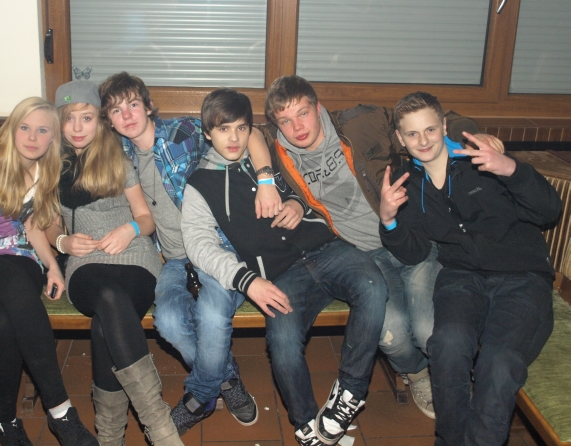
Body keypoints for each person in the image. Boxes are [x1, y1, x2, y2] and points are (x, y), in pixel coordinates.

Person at [263, 75, 501, 419]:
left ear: (318, 107)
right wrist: (281, 190)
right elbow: (244, 133)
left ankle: (455, 375)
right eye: (285, 120)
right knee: (392, 335)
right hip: (364, 256)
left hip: (412, 239)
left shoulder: (361, 123)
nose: (297, 127)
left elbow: (423, 118)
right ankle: (417, 374)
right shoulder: (277, 151)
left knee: (427, 330)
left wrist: (471, 134)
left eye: (303, 113)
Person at [181, 88, 388, 446]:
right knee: (283, 343)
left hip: (327, 248)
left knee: (373, 285)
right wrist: (248, 281)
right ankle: (306, 423)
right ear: (207, 134)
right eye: (223, 129)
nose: (234, 138)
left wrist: (296, 203)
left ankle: (350, 392)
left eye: (241, 128)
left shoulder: (273, 153)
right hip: (279, 275)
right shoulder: (200, 184)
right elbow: (198, 245)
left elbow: (302, 184)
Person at [98, 72, 281, 435]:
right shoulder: (117, 156)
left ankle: (201, 396)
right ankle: (227, 379)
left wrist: (265, 179)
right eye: (117, 110)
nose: (128, 115)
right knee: (167, 320)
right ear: (109, 120)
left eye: (133, 104)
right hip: (173, 259)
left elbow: (252, 133)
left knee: (211, 316)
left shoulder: (183, 131)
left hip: (218, 249)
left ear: (149, 106)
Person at [379, 91, 560, 445]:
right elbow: (414, 253)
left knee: (498, 361)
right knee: (446, 346)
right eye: (412, 134)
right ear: (400, 138)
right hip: (461, 278)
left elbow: (549, 211)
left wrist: (511, 169)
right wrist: (389, 221)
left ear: (444, 126)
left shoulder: (481, 157)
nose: (423, 140)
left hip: (522, 276)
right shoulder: (406, 181)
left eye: (430, 129)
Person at [0, 97, 98, 446]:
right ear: (11, 129)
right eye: (25, 127)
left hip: (18, 258)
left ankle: (5, 422)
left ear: (53, 137)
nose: (32, 137)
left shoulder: (43, 170)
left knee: (2, 318)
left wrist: (53, 266)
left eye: (42, 130)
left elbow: (30, 224)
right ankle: (61, 412)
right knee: (13, 286)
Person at [46, 81, 182, 446]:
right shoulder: (51, 165)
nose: (77, 127)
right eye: (69, 119)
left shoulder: (118, 160)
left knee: (104, 325)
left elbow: (145, 217)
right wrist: (63, 241)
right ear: (59, 122)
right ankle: (160, 428)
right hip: (85, 261)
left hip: (135, 255)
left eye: (86, 117)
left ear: (100, 120)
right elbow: (49, 225)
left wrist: (130, 229)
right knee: (107, 297)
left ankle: (110, 438)